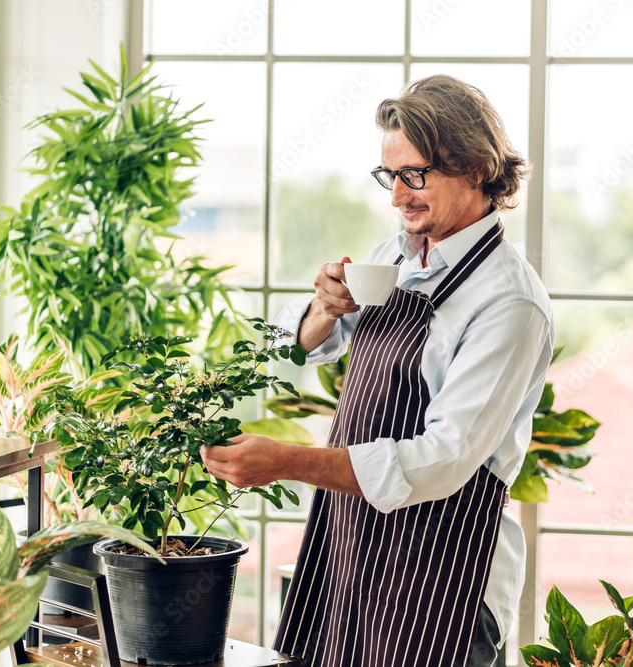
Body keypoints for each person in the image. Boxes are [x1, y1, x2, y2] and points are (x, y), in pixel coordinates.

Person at [201, 74, 554, 667]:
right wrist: (322, 308)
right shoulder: (396, 254)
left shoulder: (509, 303)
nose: (397, 196)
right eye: (389, 176)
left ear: (475, 169)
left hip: (445, 581)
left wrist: (288, 462)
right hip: (352, 553)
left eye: (414, 176)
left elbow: (441, 460)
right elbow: (303, 340)